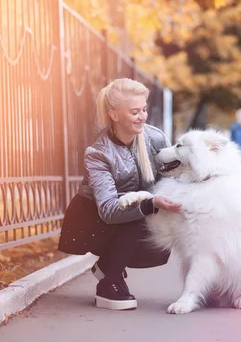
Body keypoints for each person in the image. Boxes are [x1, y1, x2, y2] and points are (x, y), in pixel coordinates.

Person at [58, 78, 182, 311]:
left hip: (132, 212)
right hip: (95, 220)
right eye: (134, 112)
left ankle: (107, 264)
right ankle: (109, 282)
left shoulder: (155, 138)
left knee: (157, 230)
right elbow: (108, 210)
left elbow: (171, 180)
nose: (142, 116)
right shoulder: (98, 153)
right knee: (139, 213)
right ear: (114, 115)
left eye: (144, 110)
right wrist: (150, 203)